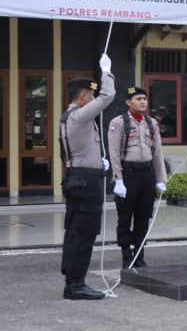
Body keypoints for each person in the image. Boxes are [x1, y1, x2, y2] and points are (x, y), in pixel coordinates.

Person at [59, 54, 114, 300]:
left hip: (76, 177)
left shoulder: (67, 117)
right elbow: (108, 96)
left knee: (74, 231)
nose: (93, 100)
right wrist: (107, 72)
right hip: (86, 181)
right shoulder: (79, 115)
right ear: (83, 97)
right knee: (85, 233)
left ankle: (72, 279)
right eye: (90, 96)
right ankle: (76, 285)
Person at [108, 86, 168, 269]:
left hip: (147, 174)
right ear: (128, 102)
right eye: (138, 99)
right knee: (125, 216)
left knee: (143, 216)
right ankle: (126, 254)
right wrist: (118, 179)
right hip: (128, 174)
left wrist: (160, 179)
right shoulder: (118, 123)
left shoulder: (151, 123)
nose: (143, 102)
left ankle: (139, 254)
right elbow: (114, 152)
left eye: (145, 99)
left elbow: (157, 152)